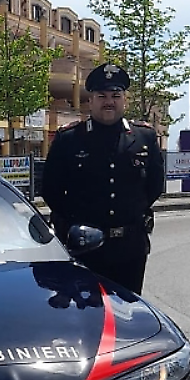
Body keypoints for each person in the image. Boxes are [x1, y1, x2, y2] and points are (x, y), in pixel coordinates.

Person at [40, 63, 165, 295]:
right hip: (84, 247)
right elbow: (51, 189)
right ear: (91, 101)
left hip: (130, 247)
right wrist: (71, 225)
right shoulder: (69, 138)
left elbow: (155, 185)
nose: (109, 101)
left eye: (116, 95)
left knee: (128, 314)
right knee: (87, 317)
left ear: (124, 100)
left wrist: (132, 211)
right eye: (102, 96)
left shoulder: (144, 136)